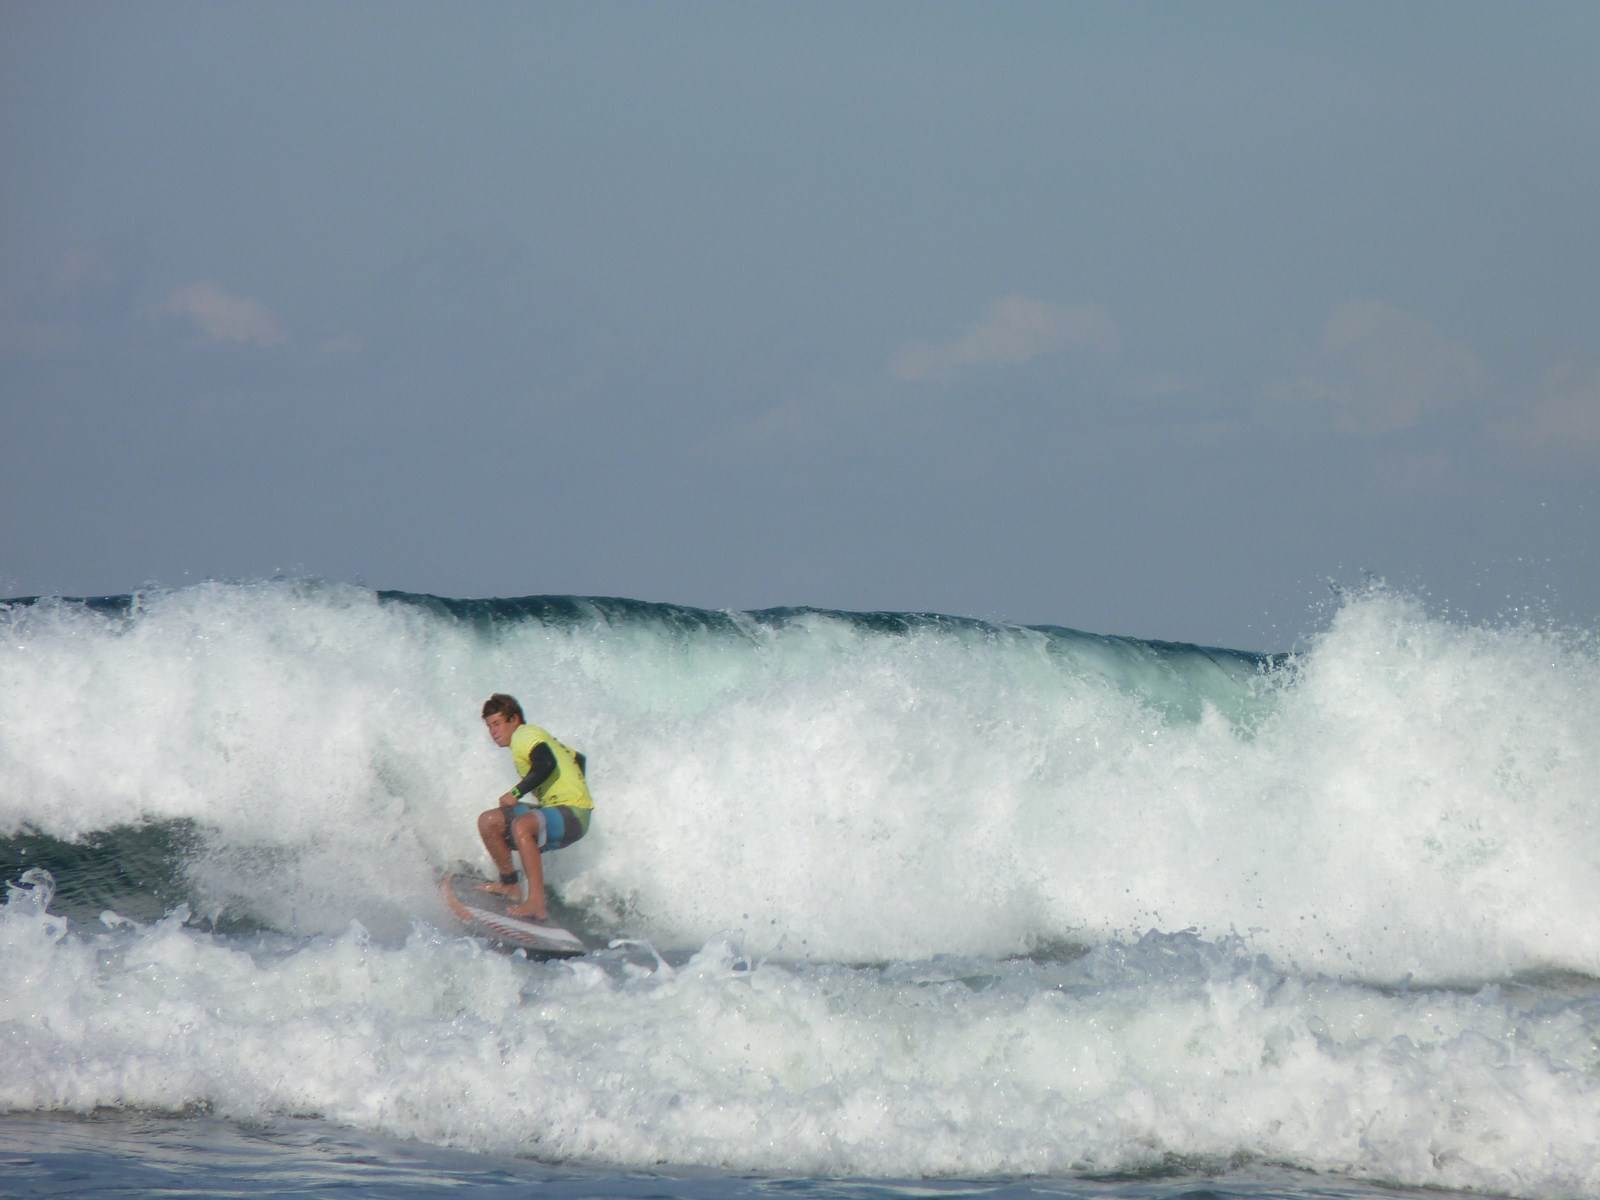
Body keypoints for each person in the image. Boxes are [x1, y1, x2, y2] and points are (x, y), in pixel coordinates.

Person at [476, 693, 592, 920]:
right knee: (489, 822)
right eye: (490, 726)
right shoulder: (539, 737)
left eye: (498, 723)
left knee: (522, 826)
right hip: (560, 811)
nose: (494, 731)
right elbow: (579, 759)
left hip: (574, 814)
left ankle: (537, 902)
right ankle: (510, 885)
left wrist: (516, 793)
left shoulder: (524, 734)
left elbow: (546, 764)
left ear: (514, 719)